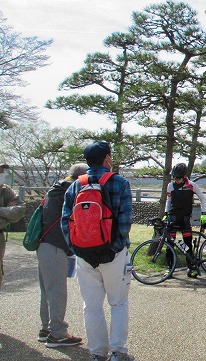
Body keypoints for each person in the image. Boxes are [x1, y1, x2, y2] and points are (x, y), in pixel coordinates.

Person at [61, 142, 134, 361]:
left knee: (91, 305)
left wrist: (78, 248)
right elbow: (125, 222)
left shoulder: (75, 186)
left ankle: (97, 353)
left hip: (84, 255)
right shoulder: (119, 183)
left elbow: (66, 222)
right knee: (118, 303)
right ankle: (118, 352)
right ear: (107, 158)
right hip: (113, 255)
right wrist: (115, 248)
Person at [37, 163, 88, 347]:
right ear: (81, 177)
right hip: (56, 245)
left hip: (43, 244)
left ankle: (46, 329)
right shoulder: (70, 191)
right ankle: (57, 334)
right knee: (58, 291)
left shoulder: (55, 188)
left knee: (47, 290)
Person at [164, 163, 206, 278]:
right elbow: (168, 201)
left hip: (185, 218)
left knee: (187, 243)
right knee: (170, 244)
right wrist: (165, 213)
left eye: (178, 178)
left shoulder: (191, 185)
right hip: (173, 217)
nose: (176, 180)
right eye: (174, 177)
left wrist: (204, 213)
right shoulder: (170, 186)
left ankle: (191, 267)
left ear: (184, 176)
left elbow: (202, 198)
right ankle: (170, 268)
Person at [0, 163, 25, 292]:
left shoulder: (5, 190)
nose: (2, 174)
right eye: (0, 170)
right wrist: (6, 212)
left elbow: (19, 210)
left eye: (3, 171)